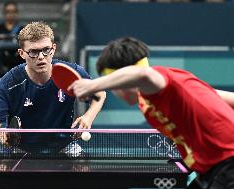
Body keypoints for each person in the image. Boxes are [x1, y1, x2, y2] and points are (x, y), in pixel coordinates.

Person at [69, 37, 234, 188]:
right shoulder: (169, 93)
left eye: (111, 86)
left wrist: (94, 85)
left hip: (227, 162)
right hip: (213, 168)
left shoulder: (161, 80)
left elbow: (144, 74)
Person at [0, 21, 106, 157]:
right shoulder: (8, 83)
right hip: (22, 149)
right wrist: (2, 135)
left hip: (64, 146)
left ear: (53, 49)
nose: (41, 57)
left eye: (46, 50)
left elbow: (100, 93)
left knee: (86, 175)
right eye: (33, 52)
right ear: (21, 53)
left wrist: (88, 117)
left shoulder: (70, 73)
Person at [0, 0, 23, 78]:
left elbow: (24, 44)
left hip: (18, 59)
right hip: (2, 60)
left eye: (13, 11)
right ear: (4, 13)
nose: (11, 14)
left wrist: (4, 40)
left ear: (17, 13)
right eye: (8, 11)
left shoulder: (23, 29)